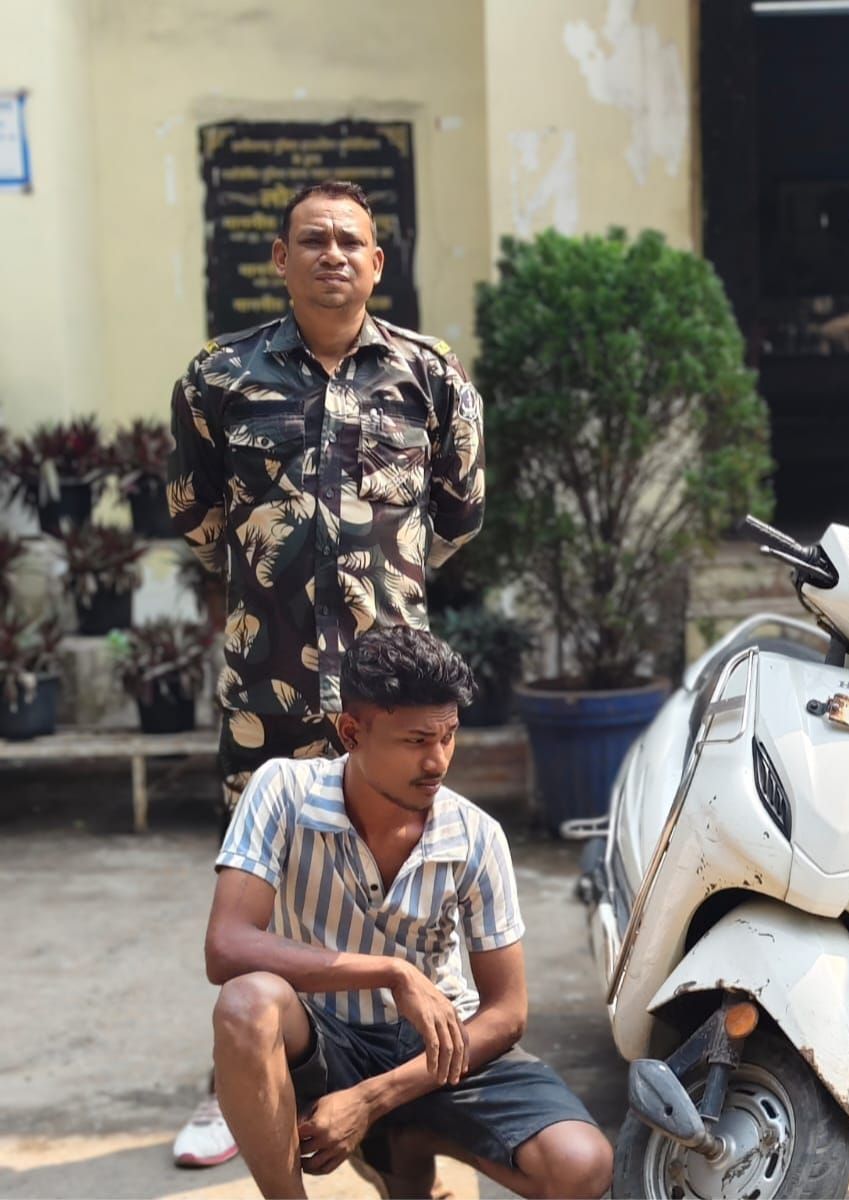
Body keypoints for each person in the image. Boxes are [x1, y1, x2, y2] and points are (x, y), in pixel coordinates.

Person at [167, 179, 485, 1167]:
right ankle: (236, 1075)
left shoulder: (430, 377)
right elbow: (200, 518)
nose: (333, 255)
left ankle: (401, 1086)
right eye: (312, 240)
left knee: (399, 882)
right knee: (255, 900)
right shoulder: (219, 378)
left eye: (351, 241)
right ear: (281, 259)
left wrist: (374, 586)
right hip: (267, 694)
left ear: (377, 263)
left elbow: (456, 516)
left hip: (388, 704)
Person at [205, 626, 612, 1199]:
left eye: (449, 736)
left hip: (437, 1051)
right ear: (351, 732)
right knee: (247, 1003)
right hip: (323, 1039)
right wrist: (393, 972)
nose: (437, 760)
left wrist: (372, 1098)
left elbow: (507, 1012)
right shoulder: (282, 790)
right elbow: (226, 946)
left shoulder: (476, 835)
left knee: (582, 1165)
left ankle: (405, 1141)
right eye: (417, 740)